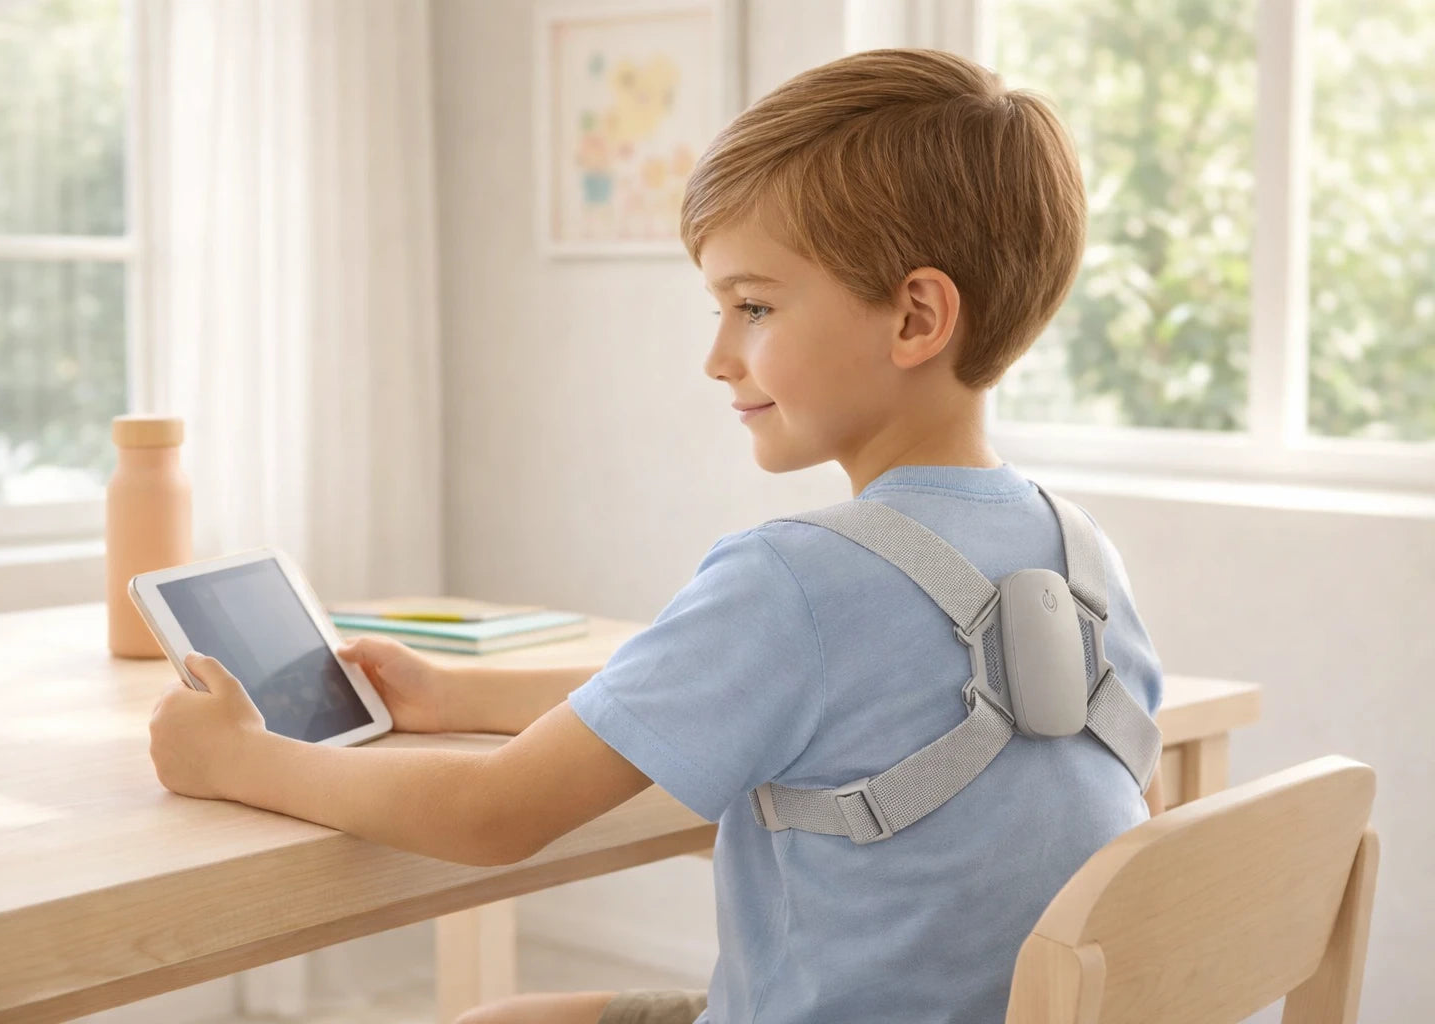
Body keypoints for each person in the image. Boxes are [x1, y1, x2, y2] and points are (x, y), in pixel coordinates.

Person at [148, 47, 1166, 1024]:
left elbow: (492, 816)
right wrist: (457, 695)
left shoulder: (797, 577)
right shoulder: (1078, 556)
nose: (719, 355)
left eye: (754, 305)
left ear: (914, 318)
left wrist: (242, 759)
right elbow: (750, 700)